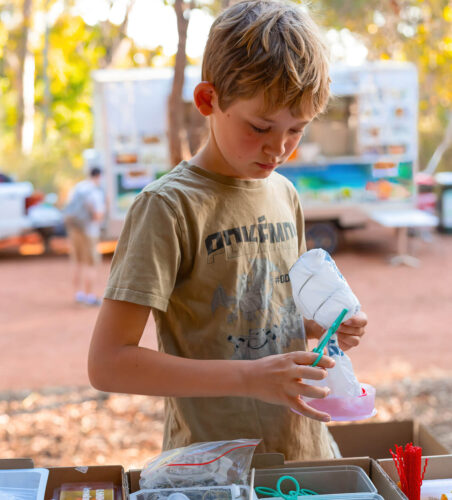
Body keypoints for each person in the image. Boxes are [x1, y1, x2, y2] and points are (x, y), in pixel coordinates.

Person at [88, 0, 368, 459]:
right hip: (216, 468)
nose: (278, 147)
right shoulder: (168, 207)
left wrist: (323, 327)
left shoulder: (284, 194)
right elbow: (108, 363)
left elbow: (267, 313)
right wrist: (249, 378)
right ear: (207, 100)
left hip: (305, 453)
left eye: (296, 130)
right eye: (260, 126)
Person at [64, 166, 106, 306]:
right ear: (99, 176)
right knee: (91, 264)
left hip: (74, 229)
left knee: (77, 262)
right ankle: (89, 296)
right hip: (89, 231)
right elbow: (98, 215)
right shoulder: (95, 192)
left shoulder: (78, 188)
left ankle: (78, 294)